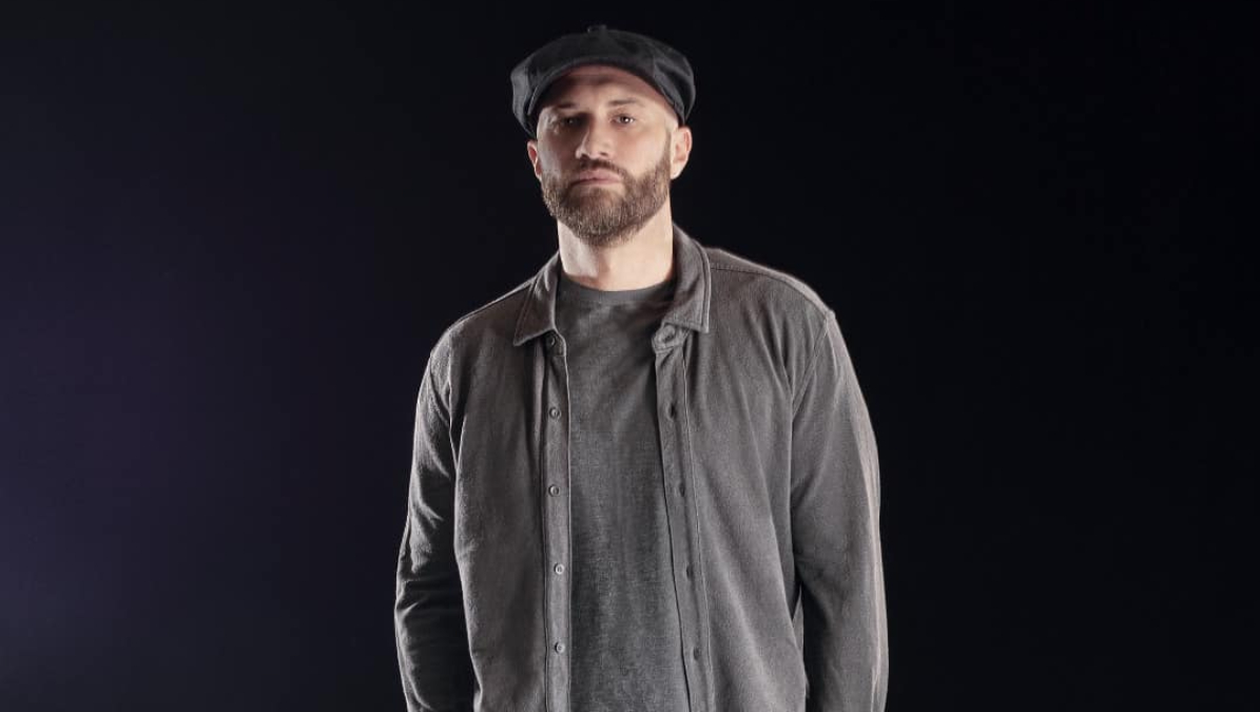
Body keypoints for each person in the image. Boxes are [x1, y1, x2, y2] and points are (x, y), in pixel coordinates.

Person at [394, 24, 888, 712]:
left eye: (625, 117)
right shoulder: (467, 360)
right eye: (569, 121)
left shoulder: (787, 330)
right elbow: (429, 594)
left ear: (678, 149)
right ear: (537, 157)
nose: (594, 143)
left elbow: (845, 582)